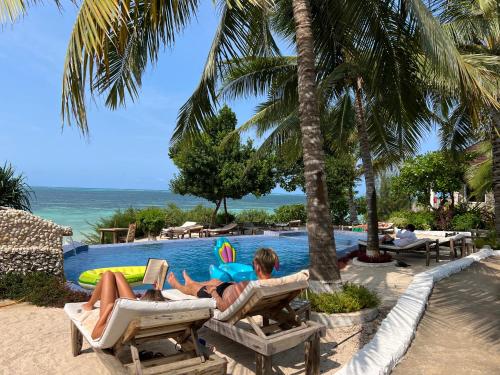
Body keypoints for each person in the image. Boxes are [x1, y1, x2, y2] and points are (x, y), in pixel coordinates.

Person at [167, 248, 279, 312]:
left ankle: (178, 285)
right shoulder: (275, 284)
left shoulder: (248, 285)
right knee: (215, 280)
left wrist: (213, 293)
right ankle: (191, 282)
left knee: (195, 289)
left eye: (253, 263)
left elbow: (224, 307)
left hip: (220, 294)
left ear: (257, 267)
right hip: (229, 288)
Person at [82, 271, 165, 339]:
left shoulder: (120, 320)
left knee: (107, 275)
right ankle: (90, 303)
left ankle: (89, 304)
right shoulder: (161, 314)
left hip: (118, 316)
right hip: (135, 310)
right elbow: (157, 305)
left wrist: (109, 308)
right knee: (118, 274)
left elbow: (94, 335)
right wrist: (157, 291)